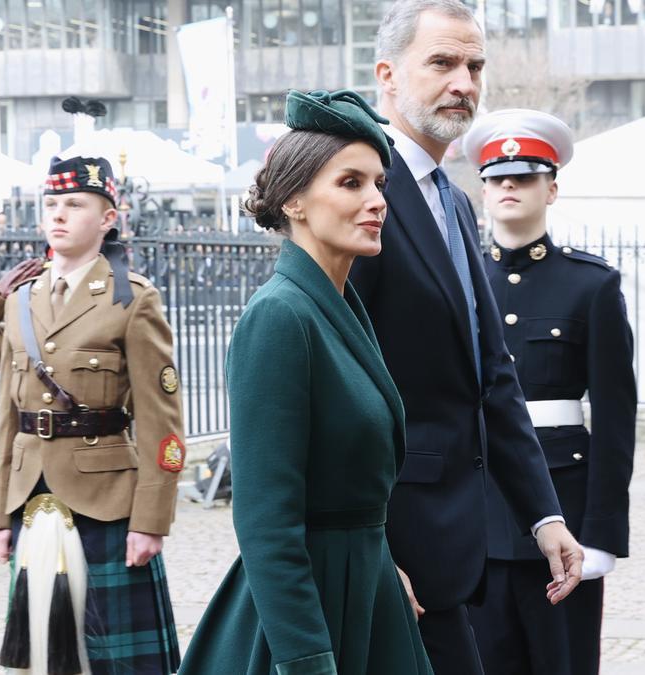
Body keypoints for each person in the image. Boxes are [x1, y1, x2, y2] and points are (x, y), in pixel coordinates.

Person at [351, 1, 585, 672]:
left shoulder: (452, 200)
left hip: (454, 550)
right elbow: (334, 393)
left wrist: (545, 516)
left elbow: (492, 377)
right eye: (444, 63)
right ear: (388, 76)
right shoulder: (363, 195)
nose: (464, 82)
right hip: (392, 554)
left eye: (475, 65)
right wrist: (369, 553)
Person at [178, 89, 433, 675]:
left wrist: (379, 567)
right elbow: (265, 518)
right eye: (351, 183)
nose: (375, 201)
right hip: (307, 620)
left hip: (364, 592)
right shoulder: (280, 315)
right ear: (294, 200)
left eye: (379, 184)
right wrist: (306, 659)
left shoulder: (336, 308)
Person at [0, 154, 185, 675]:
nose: (58, 214)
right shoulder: (22, 299)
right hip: (31, 496)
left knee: (115, 661)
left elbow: (161, 421)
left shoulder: (133, 298)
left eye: (75, 204)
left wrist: (150, 522)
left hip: (106, 500)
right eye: (51, 204)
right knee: (44, 657)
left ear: (107, 217)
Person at [462, 109, 637, 675]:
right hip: (476, 514)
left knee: (564, 662)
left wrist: (603, 533)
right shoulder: (457, 283)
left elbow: (615, 418)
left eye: (525, 176)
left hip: (565, 508)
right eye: (496, 178)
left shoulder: (592, 285)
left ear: (551, 189)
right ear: (483, 190)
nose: (508, 186)